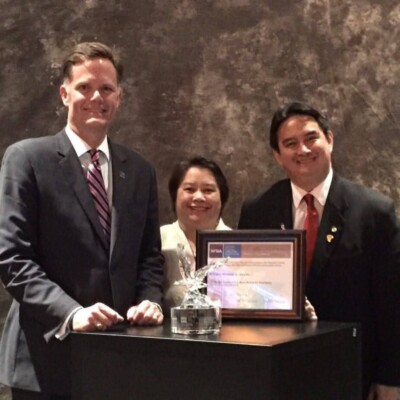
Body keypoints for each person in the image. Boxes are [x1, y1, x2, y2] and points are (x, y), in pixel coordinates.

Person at [0, 42, 164, 400]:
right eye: (84, 87)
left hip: (120, 360)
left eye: (106, 88)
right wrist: (71, 313)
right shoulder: (27, 159)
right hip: (46, 358)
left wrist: (151, 300)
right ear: (65, 94)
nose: (96, 97)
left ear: (119, 97)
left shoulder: (139, 171)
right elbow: (13, 259)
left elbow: (149, 256)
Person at [238, 101, 400, 400]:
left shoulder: (374, 212)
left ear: (330, 139)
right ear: (278, 156)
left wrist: (392, 377)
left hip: (353, 371)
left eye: (311, 138)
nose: (303, 149)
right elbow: (247, 295)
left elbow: (392, 303)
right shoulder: (257, 210)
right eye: (290, 143)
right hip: (278, 372)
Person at [161, 157, 230, 311]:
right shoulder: (157, 240)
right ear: (174, 195)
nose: (198, 197)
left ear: (222, 197)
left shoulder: (240, 245)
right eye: (189, 189)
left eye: (208, 190)